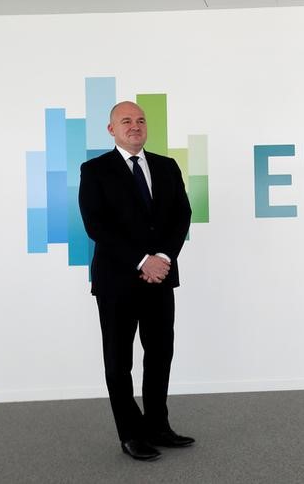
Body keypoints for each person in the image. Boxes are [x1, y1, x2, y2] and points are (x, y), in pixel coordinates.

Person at [78, 101, 193, 461]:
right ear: (111, 129)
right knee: (119, 360)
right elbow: (97, 225)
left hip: (160, 278)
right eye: (126, 121)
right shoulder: (94, 170)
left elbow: (181, 216)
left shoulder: (166, 166)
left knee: (160, 355)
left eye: (141, 120)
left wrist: (163, 259)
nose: (135, 126)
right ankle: (131, 433)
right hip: (116, 282)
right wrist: (142, 259)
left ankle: (158, 426)